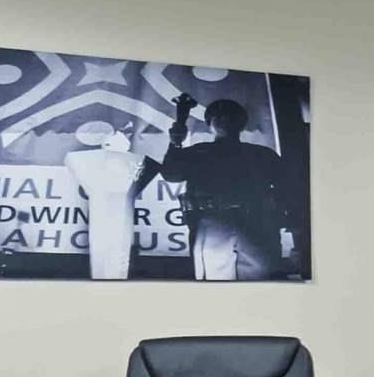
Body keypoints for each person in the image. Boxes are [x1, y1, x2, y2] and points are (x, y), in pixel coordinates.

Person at [134, 93, 291, 281]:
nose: (224, 119)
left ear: (241, 123)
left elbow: (286, 187)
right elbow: (172, 175)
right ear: (209, 123)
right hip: (212, 222)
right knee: (215, 282)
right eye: (218, 116)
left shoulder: (262, 154)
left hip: (258, 223)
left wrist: (285, 217)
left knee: (264, 283)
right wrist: (176, 143)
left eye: (230, 116)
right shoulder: (198, 152)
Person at [63, 119, 143, 280]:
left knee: (118, 253)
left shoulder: (133, 163)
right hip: (102, 209)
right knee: (103, 253)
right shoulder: (90, 163)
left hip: (121, 211)